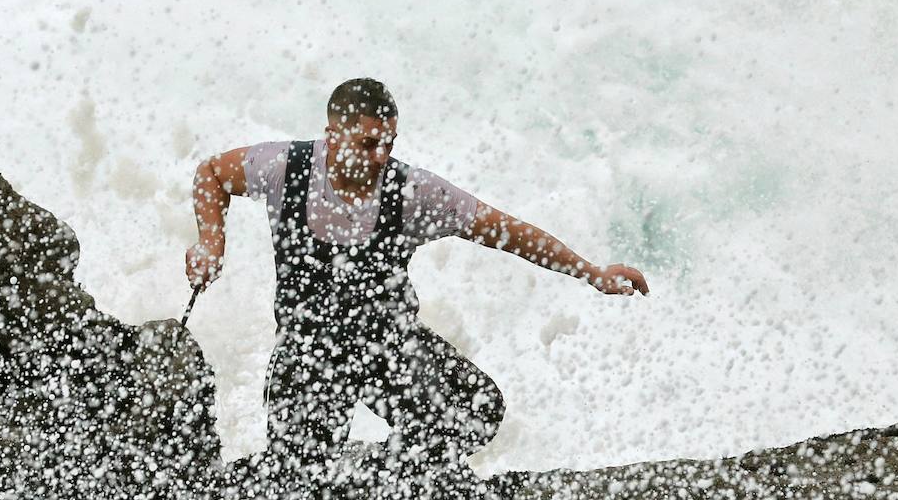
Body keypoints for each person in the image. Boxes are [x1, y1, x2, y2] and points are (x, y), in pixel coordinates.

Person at [188, 78, 647, 471]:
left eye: (389, 143)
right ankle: (321, 472)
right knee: (299, 475)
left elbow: (504, 230)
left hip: (388, 343)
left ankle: (384, 474)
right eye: (368, 144)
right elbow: (211, 173)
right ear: (332, 135)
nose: (381, 156)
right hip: (309, 353)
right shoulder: (284, 167)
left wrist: (589, 271)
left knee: (477, 410)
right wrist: (211, 244)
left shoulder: (411, 191)